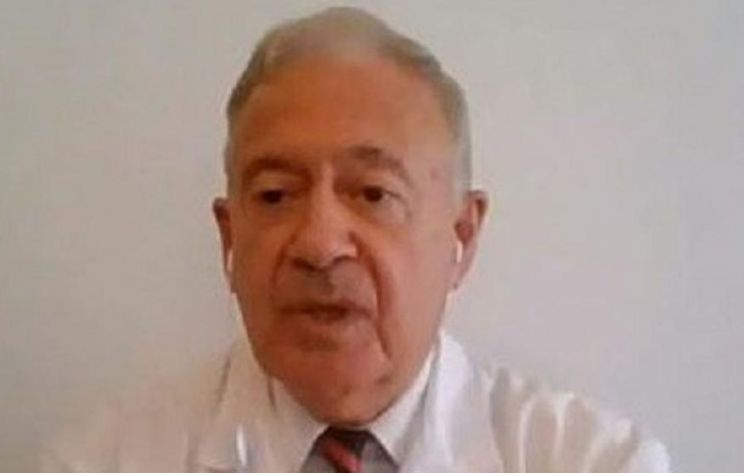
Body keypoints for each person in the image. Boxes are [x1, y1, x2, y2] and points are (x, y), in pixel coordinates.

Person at [41, 7, 670, 473]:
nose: (319, 245)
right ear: (229, 239)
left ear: (462, 235)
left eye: (373, 193)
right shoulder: (102, 461)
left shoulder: (594, 461)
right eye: (275, 195)